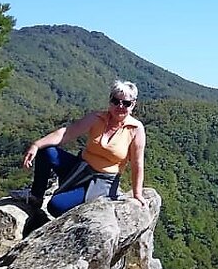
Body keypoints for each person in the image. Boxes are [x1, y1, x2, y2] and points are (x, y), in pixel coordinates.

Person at [19, 80, 146, 216]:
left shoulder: (135, 129)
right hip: (80, 168)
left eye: (125, 103)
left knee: (55, 206)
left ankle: (83, 200)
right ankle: (36, 197)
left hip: (102, 181)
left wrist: (137, 194)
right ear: (110, 101)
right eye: (116, 101)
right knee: (46, 151)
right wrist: (36, 145)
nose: (120, 106)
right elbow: (67, 133)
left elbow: (137, 164)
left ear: (133, 105)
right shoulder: (97, 118)